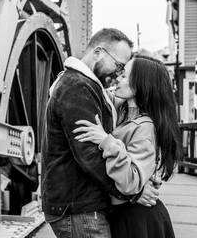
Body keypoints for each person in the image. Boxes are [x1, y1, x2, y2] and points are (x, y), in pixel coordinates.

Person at [42, 29, 159, 238]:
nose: (118, 73)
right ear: (98, 52)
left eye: (123, 69)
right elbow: (91, 156)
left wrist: (143, 174)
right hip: (79, 209)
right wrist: (133, 193)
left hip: (80, 206)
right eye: (118, 65)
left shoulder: (87, 86)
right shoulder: (77, 88)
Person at [73, 55, 180, 238]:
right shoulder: (125, 113)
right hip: (128, 213)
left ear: (140, 85)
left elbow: (131, 181)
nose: (118, 79)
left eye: (124, 76)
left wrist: (106, 141)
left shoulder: (145, 127)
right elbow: (92, 90)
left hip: (136, 219)